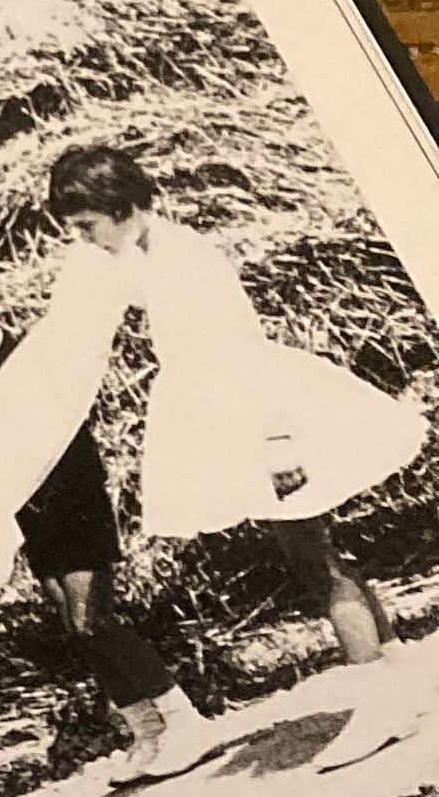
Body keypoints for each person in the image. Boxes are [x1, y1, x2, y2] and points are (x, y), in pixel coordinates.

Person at [43, 145, 413, 693]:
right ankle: (396, 664)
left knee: (314, 559)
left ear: (120, 208)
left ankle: (378, 687)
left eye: (87, 225)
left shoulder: (185, 258)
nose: (84, 239)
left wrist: (277, 441)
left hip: (256, 411)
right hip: (224, 408)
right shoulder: (144, 253)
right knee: (311, 550)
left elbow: (242, 350)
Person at [0, 247, 218, 783]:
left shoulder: (29, 359)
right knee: (77, 629)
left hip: (72, 501)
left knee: (94, 619)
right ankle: (147, 731)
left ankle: (185, 721)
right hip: (31, 518)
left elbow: (66, 431)